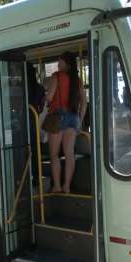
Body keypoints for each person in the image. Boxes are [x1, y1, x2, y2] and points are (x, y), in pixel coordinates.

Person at [45, 52, 87, 193]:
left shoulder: (57, 76)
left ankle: (57, 185)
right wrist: (79, 120)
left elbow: (50, 97)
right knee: (69, 154)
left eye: (60, 61)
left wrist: (45, 97)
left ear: (66, 63)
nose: (58, 64)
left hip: (58, 117)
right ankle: (67, 186)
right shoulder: (78, 80)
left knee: (54, 154)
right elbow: (84, 103)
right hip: (73, 118)